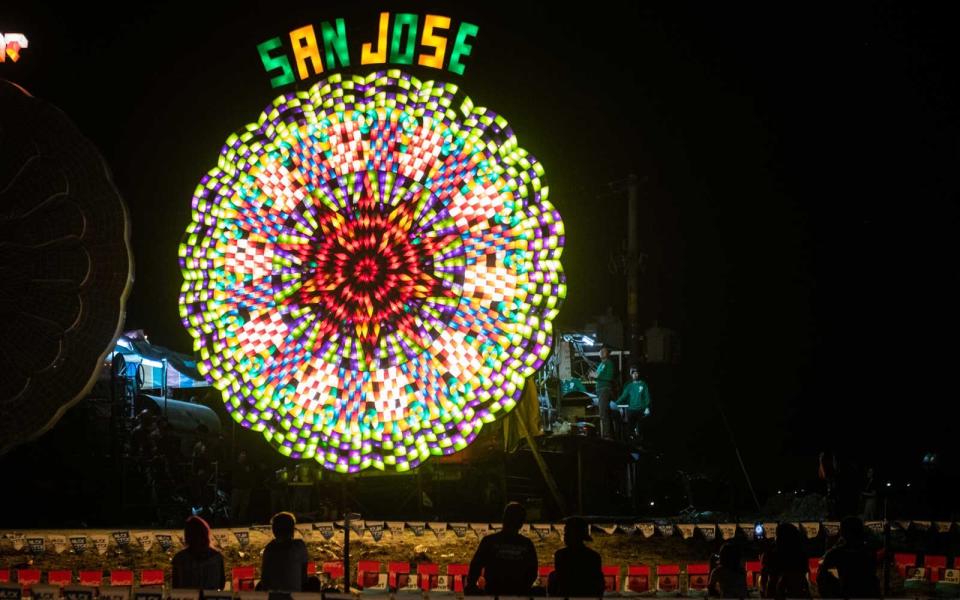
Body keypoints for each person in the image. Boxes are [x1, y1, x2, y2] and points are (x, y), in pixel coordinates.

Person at [465, 502, 538, 595]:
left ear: (504, 519)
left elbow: (475, 566)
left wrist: (471, 586)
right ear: (521, 523)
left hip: (494, 592)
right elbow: (532, 572)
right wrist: (522, 588)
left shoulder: (489, 541)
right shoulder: (527, 544)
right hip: (517, 593)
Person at [817, 516, 880, 598]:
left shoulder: (836, 553)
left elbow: (821, 575)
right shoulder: (869, 551)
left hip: (848, 593)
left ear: (843, 533)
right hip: (869, 593)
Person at [547, 516, 604, 598]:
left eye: (567, 532)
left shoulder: (561, 555)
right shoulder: (594, 556)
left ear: (574, 534)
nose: (565, 535)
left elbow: (561, 582)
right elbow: (598, 584)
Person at [171, 516, 226, 590]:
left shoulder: (179, 558)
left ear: (187, 535)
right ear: (206, 534)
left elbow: (176, 586)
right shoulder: (217, 557)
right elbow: (221, 584)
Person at [259, 512, 309, 592]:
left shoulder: (269, 549)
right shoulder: (299, 546)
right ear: (292, 529)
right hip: (294, 595)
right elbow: (304, 577)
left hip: (274, 595)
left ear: (275, 530)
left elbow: (265, 579)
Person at [759, 523, 809, 599]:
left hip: (777, 593)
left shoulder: (771, 553)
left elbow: (765, 575)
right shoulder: (801, 553)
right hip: (797, 592)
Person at [616, 366, 652, 443]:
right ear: (631, 375)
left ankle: (640, 444)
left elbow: (647, 396)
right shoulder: (629, 386)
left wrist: (647, 407)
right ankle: (631, 444)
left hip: (641, 410)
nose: (635, 375)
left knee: (641, 429)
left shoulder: (643, 384)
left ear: (638, 374)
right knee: (629, 429)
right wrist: (615, 403)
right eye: (633, 373)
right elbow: (623, 396)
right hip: (631, 410)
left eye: (636, 373)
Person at [593, 346, 619, 439]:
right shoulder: (601, 364)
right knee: (604, 413)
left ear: (607, 354)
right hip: (600, 390)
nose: (602, 352)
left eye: (604, 351)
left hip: (605, 389)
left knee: (603, 413)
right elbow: (598, 376)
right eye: (601, 351)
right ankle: (609, 435)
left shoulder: (609, 363)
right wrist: (594, 376)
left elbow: (609, 377)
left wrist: (597, 376)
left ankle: (607, 436)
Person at [230, 449, 255, 524]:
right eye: (242, 455)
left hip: (246, 488)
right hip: (237, 489)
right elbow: (234, 476)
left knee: (244, 506)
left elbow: (250, 475)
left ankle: (241, 521)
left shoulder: (248, 465)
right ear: (239, 456)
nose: (243, 456)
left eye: (244, 455)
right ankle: (232, 521)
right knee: (234, 506)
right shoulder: (235, 465)